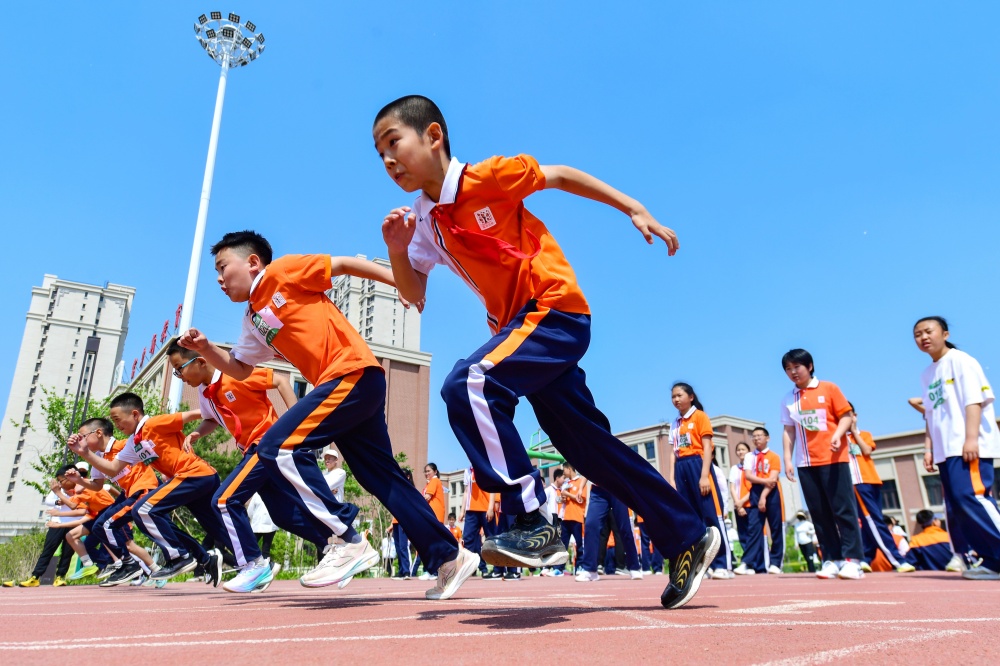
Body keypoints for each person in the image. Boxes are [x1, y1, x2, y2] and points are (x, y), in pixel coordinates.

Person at [376, 95, 718, 608]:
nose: (387, 160)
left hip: (553, 309)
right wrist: (398, 249)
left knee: (467, 383)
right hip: (521, 331)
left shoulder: (486, 177)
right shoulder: (425, 222)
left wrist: (633, 207)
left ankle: (533, 519)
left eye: (393, 143)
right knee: (588, 449)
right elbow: (413, 293)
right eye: (378, 153)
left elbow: (557, 176)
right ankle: (686, 534)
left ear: (433, 136)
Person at [179, 231, 477, 600]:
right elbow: (239, 368)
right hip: (349, 388)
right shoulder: (253, 318)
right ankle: (449, 556)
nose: (219, 280)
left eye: (223, 268)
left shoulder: (282, 272)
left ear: (253, 262)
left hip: (350, 374)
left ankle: (346, 539)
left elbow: (345, 265)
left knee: (277, 448)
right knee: (382, 480)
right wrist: (206, 348)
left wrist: (402, 282)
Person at [166, 340, 319, 593]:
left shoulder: (235, 373)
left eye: (179, 368)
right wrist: (197, 434)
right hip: (251, 451)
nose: (179, 376)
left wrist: (297, 421)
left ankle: (254, 564)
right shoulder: (206, 394)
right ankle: (338, 542)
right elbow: (211, 420)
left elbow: (279, 381)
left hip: (266, 444)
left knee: (224, 500)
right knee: (283, 515)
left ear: (201, 361)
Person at [68, 393, 225, 585]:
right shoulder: (133, 442)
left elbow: (198, 413)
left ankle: (137, 563)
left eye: (118, 420)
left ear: (134, 414)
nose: (117, 426)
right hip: (180, 480)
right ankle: (236, 559)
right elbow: (109, 471)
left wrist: (214, 419)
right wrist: (84, 455)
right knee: (210, 527)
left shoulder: (145, 429)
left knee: (124, 517)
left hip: (172, 480)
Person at [914, 316, 1000, 580]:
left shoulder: (962, 361)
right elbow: (930, 414)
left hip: (968, 445)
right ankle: (992, 561)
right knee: (959, 505)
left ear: (946, 334)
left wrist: (971, 438)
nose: (923, 337)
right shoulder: (927, 374)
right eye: (918, 334)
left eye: (929, 331)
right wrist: (929, 449)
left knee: (973, 498)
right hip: (944, 450)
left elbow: (975, 401)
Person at [780, 349, 864, 580]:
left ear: (810, 366)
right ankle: (832, 558)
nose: (793, 372)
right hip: (805, 462)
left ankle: (853, 560)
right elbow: (789, 430)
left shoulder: (829, 388)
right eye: (788, 369)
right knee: (818, 512)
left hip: (833, 458)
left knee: (843, 509)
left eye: (797, 367)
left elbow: (846, 415)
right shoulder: (788, 399)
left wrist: (837, 434)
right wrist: (787, 458)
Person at [68, 417, 160, 586]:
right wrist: (78, 480)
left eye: (83, 436)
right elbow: (97, 485)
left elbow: (153, 457)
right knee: (101, 528)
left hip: (146, 489)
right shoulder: (96, 459)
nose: (81, 441)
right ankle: (128, 564)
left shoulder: (125, 445)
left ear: (98, 433)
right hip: (129, 494)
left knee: (112, 529)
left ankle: (132, 565)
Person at [668, 383, 732, 579]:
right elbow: (673, 452)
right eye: (673, 397)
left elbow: (707, 448)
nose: (676, 399)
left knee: (711, 515)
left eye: (679, 395)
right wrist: (671, 478)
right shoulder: (675, 423)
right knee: (692, 519)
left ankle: (722, 564)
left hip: (698, 464)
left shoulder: (700, 417)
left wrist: (704, 475)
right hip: (681, 467)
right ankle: (700, 564)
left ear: (691, 397)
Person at [846, 404, 915, 573]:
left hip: (872, 480)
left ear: (855, 415)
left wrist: (854, 432)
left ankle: (865, 557)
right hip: (857, 482)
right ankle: (897, 559)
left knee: (871, 521)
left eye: (848, 414)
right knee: (873, 521)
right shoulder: (838, 438)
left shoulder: (865, 434)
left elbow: (867, 450)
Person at [3, 465, 81, 588]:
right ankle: (35, 577)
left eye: (61, 480)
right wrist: (57, 500)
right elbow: (48, 501)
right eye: (59, 481)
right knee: (48, 549)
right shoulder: (57, 490)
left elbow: (75, 505)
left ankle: (60, 576)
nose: (59, 484)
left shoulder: (81, 489)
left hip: (73, 524)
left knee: (67, 552)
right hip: (57, 523)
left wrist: (60, 495)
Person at [575, 480, 643, 581]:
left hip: (618, 488)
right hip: (598, 490)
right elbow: (589, 467)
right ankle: (590, 570)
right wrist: (581, 487)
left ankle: (634, 567)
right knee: (591, 525)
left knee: (625, 528)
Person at [742, 427, 784, 575]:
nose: (756, 438)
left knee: (775, 527)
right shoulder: (749, 456)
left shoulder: (774, 456)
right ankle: (747, 562)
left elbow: (773, 479)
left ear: (767, 438)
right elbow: (748, 476)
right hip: (755, 490)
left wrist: (764, 496)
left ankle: (775, 563)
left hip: (771, 493)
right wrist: (763, 481)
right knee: (754, 528)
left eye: (760, 436)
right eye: (754, 436)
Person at [461, 466, 493, 577]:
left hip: (485, 508)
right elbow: (466, 491)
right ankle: (470, 568)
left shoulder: (484, 465)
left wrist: (490, 507)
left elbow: (492, 488)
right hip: (471, 510)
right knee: (468, 539)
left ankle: (498, 568)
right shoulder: (467, 471)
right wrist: (462, 510)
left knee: (491, 538)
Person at [557, 462, 587, 574]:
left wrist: (567, 494)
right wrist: (563, 497)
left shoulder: (581, 482)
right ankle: (559, 569)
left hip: (577, 517)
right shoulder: (566, 483)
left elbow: (581, 499)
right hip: (566, 518)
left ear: (569, 469)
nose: (563, 473)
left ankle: (580, 567)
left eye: (564, 470)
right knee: (563, 545)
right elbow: (562, 499)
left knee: (579, 545)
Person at [728, 441, 753, 566]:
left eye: (743, 449)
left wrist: (743, 502)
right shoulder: (734, 468)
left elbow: (753, 487)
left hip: (751, 505)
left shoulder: (752, 467)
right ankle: (747, 563)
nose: (740, 452)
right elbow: (732, 487)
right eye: (738, 450)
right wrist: (738, 504)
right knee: (742, 535)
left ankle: (754, 562)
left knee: (752, 534)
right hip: (738, 506)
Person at [540, 468, 565, 576]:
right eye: (563, 477)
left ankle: (556, 567)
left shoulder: (562, 490)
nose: (564, 480)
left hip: (560, 518)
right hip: (551, 517)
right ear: (557, 478)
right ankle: (546, 566)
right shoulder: (549, 490)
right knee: (550, 542)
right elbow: (543, 503)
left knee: (557, 542)